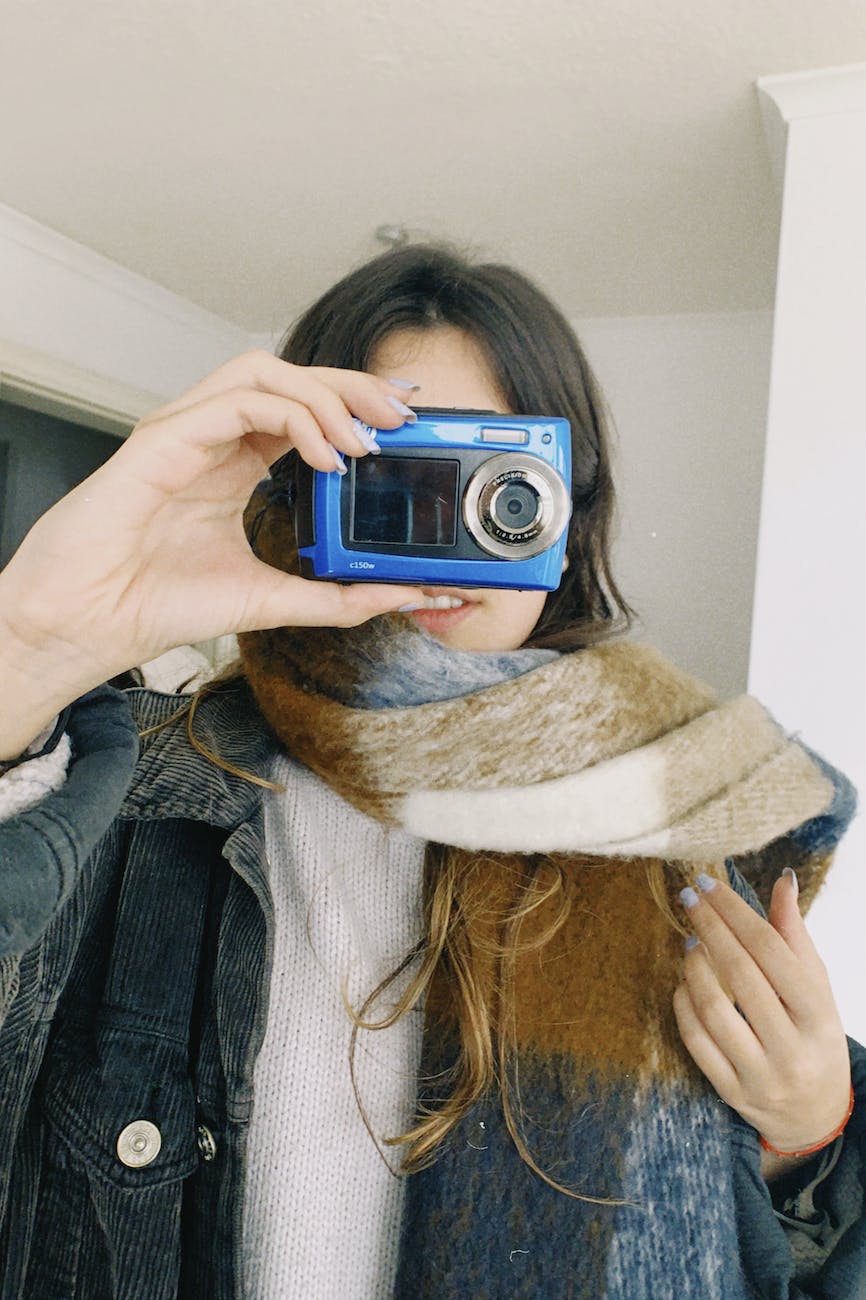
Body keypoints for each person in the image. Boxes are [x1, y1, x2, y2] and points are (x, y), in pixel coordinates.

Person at [0, 244, 862, 1300]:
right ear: (292, 483)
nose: (434, 526)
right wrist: (27, 648)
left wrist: (809, 1132)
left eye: (491, 480)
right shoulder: (116, 787)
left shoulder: (672, 809)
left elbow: (743, 1195)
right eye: (390, 468)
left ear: (564, 505)